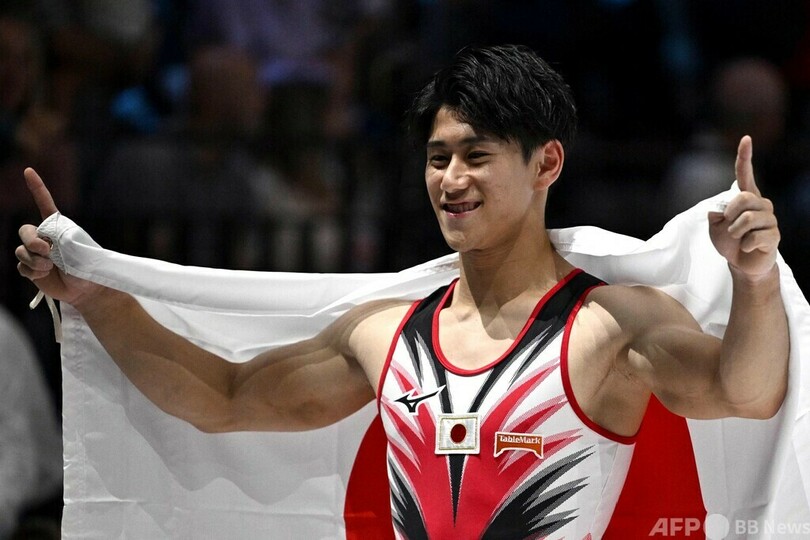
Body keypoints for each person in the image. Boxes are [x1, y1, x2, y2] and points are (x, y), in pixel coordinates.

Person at [15, 45, 788, 538]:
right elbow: (222, 397)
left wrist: (754, 281)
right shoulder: (384, 335)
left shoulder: (609, 327)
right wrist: (96, 298)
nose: (450, 180)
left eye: (476, 156)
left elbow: (745, 393)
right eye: (436, 157)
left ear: (546, 164)